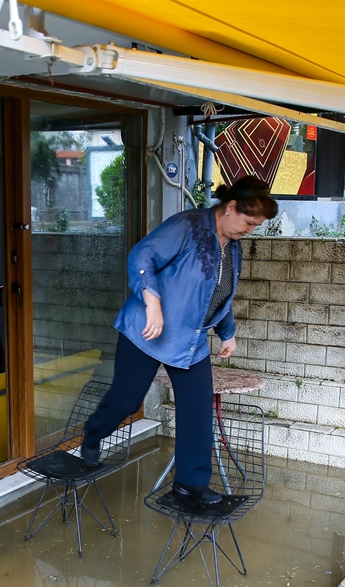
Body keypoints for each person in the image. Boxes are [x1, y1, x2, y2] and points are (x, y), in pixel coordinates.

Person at [80, 176, 278, 506]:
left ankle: (190, 484)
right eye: (248, 222)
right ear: (231, 208)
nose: (250, 230)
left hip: (190, 340)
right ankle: (94, 431)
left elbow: (218, 294)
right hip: (147, 331)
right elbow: (142, 257)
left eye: (255, 225)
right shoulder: (187, 225)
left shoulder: (233, 247)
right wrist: (152, 302)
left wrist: (227, 333)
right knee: (127, 400)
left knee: (197, 409)